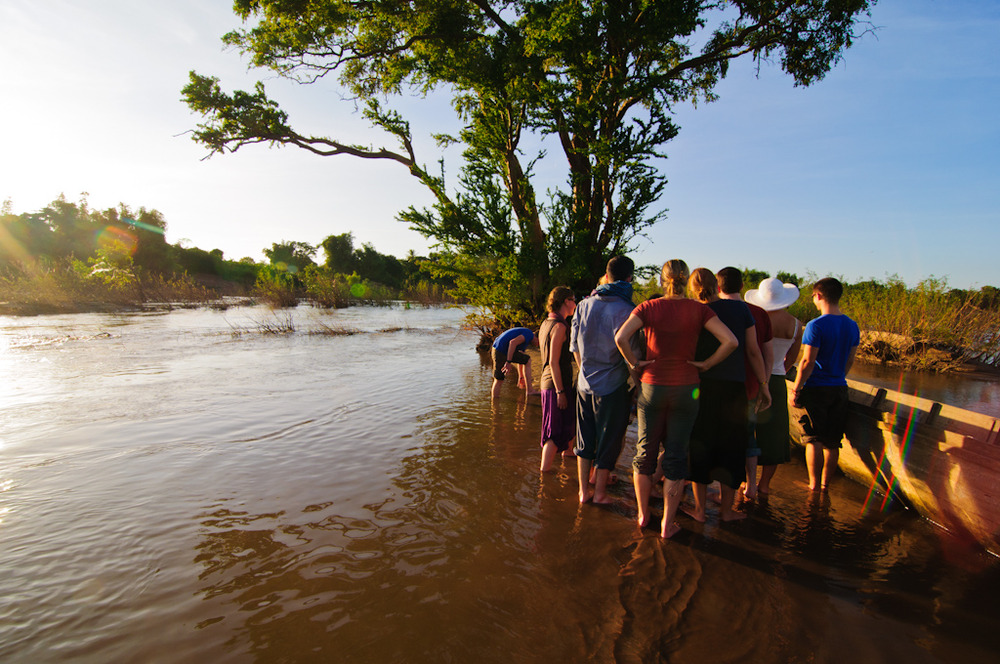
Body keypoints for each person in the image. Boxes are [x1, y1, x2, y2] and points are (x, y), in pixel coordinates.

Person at [614, 260, 737, 538]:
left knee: (644, 453)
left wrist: (635, 363)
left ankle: (644, 515)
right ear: (685, 280)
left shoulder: (649, 307)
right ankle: (667, 524)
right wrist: (706, 364)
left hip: (652, 386)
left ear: (662, 280)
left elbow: (620, 337)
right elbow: (731, 341)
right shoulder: (699, 309)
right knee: (676, 455)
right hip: (687, 388)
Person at [685, 268, 770, 523]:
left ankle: (699, 511)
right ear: (717, 286)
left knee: (700, 444)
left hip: (701, 387)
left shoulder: (693, 310)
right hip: (734, 388)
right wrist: (764, 385)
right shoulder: (741, 310)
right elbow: (754, 352)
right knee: (732, 446)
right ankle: (726, 511)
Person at [572, 256, 636, 504]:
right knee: (609, 440)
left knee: (584, 439)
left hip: (584, 383)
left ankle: (582, 492)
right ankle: (599, 494)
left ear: (606, 277)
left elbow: (574, 347)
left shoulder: (582, 305)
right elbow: (633, 356)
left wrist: (584, 371)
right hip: (613, 386)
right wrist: (639, 386)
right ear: (629, 279)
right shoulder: (629, 311)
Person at [790, 277, 860, 492]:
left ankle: (813, 486)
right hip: (839, 387)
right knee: (832, 441)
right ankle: (825, 485)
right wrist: (839, 376)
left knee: (813, 439)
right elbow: (850, 359)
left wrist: (797, 388)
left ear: (818, 296)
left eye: (813, 297)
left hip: (816, 388)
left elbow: (807, 362)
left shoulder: (815, 325)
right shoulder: (852, 325)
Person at [716, 267, 773, 502]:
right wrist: (764, 383)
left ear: (718, 287)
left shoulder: (710, 311)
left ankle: (717, 490)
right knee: (748, 438)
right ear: (742, 287)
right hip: (749, 385)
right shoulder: (759, 313)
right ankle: (750, 486)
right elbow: (765, 353)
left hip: (717, 386)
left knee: (715, 438)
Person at [745, 277, 803, 495]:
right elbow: (791, 360)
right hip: (777, 379)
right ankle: (765, 485)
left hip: (752, 377)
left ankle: (747, 483)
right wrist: (775, 372)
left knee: (747, 431)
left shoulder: (754, 318)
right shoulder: (796, 325)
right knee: (775, 434)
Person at [539, 286, 578, 471]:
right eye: (573, 300)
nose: (576, 304)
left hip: (549, 383)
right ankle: (544, 474)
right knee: (554, 432)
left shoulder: (547, 322)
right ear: (565, 302)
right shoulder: (560, 326)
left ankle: (568, 452)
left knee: (566, 422)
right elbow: (554, 362)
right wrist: (561, 392)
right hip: (555, 385)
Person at [490, 326, 539, 399]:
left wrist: (521, 377)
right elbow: (512, 343)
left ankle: (529, 390)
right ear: (537, 337)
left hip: (499, 349)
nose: (538, 345)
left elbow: (520, 358)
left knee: (526, 360)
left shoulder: (527, 338)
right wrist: (508, 362)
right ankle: (495, 406)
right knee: (499, 379)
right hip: (500, 350)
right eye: (539, 342)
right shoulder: (529, 334)